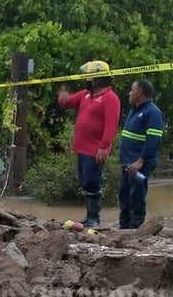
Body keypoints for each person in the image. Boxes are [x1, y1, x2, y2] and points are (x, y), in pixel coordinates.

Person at [57, 61, 121, 228]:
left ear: (95, 80)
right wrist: (63, 96)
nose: (86, 79)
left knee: (92, 182)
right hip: (82, 147)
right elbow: (68, 103)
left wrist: (104, 146)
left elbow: (111, 125)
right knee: (85, 182)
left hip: (95, 149)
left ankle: (94, 217)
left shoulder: (110, 99)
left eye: (89, 77)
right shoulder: (86, 94)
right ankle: (89, 216)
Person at [119, 79, 165, 229]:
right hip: (127, 162)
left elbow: (154, 140)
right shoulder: (134, 109)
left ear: (139, 93)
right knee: (124, 195)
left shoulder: (153, 113)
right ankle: (124, 227)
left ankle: (135, 229)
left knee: (137, 196)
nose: (129, 93)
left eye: (132, 90)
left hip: (139, 163)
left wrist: (141, 161)